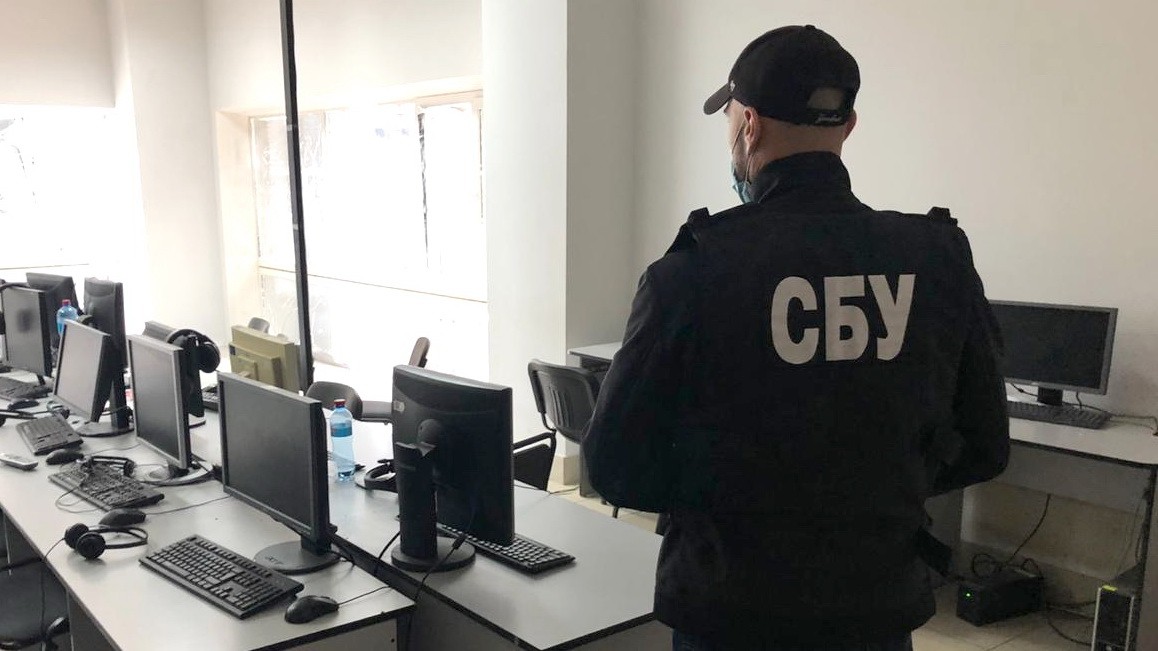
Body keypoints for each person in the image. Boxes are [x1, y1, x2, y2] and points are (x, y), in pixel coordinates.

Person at [581, 25, 1010, 651]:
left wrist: (719, 494)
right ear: (849, 126)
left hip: (730, 609)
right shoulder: (938, 259)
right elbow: (985, 446)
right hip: (874, 608)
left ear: (749, 126)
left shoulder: (694, 269)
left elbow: (614, 468)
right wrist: (877, 492)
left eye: (730, 119)